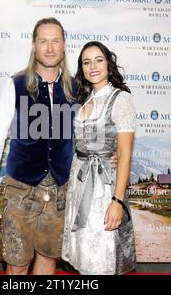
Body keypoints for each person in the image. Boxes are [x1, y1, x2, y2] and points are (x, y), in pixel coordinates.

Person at [0, 17, 77, 275]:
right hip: (21, 190)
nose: (50, 47)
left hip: (60, 191)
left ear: (64, 45)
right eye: (43, 41)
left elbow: (87, 136)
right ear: (33, 45)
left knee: (48, 259)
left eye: (56, 41)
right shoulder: (16, 84)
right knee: (17, 265)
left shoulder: (77, 88)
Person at [61, 41, 137, 275]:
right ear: (82, 69)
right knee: (83, 255)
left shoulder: (120, 99)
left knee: (102, 257)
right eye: (86, 62)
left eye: (98, 60)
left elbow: (124, 156)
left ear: (108, 64)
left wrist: (118, 201)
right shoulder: (83, 100)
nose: (92, 66)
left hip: (104, 189)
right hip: (80, 186)